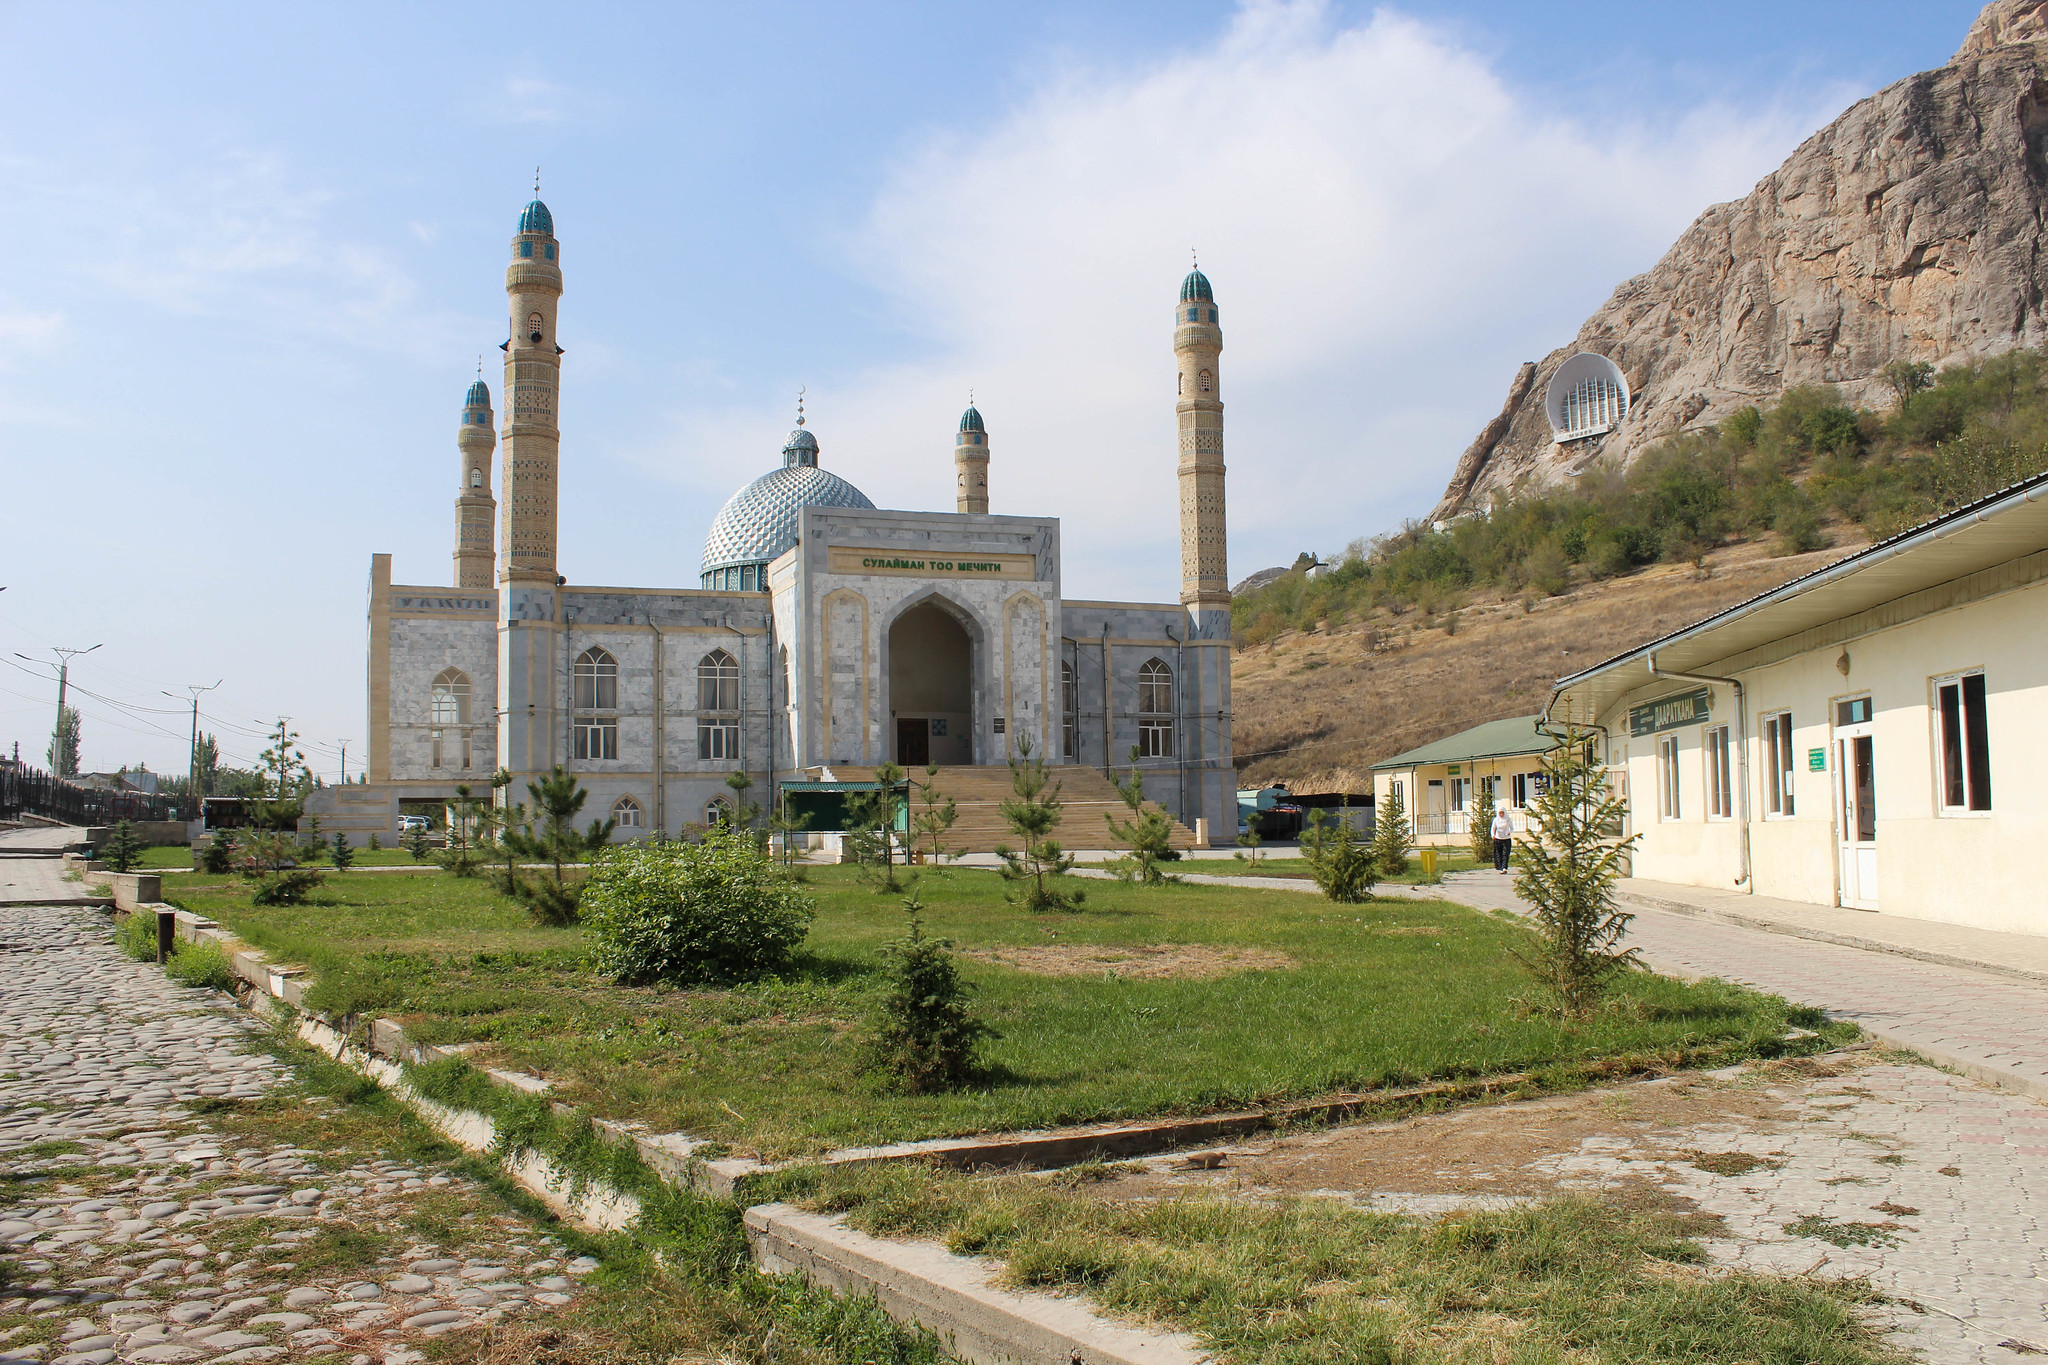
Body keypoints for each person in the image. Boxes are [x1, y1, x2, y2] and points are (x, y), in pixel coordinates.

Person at [1490, 804, 1515, 873]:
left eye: (1502, 813)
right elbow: (1493, 828)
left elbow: (1512, 828)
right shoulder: (1496, 820)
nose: (1501, 814)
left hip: (1506, 839)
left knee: (1505, 853)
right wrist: (1493, 835)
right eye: (1500, 813)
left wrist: (1509, 832)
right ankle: (1500, 867)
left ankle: (1504, 867)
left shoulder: (1507, 819)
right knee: (1498, 854)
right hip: (1498, 839)